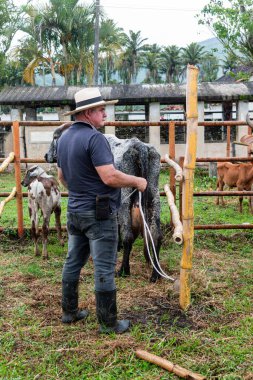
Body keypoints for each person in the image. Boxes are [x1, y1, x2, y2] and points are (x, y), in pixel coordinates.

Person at [57, 87, 147, 334]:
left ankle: (70, 312)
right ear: (86, 113)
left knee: (73, 260)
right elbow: (109, 177)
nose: (104, 112)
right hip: (99, 213)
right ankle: (108, 323)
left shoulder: (64, 137)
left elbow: (62, 176)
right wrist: (137, 181)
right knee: (105, 266)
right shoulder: (95, 138)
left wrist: (79, 190)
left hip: (74, 210)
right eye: (99, 109)